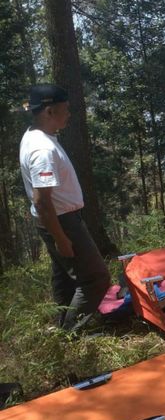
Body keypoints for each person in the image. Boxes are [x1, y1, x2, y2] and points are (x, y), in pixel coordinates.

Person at [19, 84, 110, 332]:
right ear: (49, 111)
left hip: (57, 219)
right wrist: (60, 237)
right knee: (97, 279)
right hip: (62, 221)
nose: (69, 113)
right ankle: (72, 332)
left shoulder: (34, 137)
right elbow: (42, 201)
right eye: (65, 109)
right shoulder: (42, 150)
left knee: (64, 275)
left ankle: (63, 325)